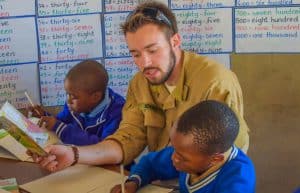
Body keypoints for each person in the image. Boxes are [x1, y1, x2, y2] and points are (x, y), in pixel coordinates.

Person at [31, 1, 249, 172]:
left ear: (175, 42)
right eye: (135, 54)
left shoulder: (215, 81)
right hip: (158, 180)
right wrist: (74, 154)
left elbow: (227, 157)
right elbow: (127, 139)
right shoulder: (139, 83)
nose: (144, 63)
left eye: (153, 50)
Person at [111, 100, 256, 193]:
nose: (173, 158)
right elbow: (150, 163)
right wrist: (133, 182)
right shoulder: (188, 152)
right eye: (175, 149)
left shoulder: (238, 180)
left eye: (182, 157)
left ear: (216, 159)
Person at [28, 60, 125, 145]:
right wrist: (44, 116)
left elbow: (104, 146)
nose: (68, 100)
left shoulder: (117, 112)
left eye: (73, 97)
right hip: (78, 159)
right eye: (68, 94)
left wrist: (60, 128)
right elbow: (60, 123)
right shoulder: (73, 105)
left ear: (95, 97)